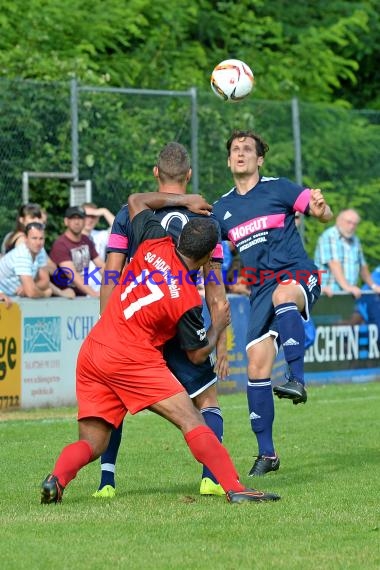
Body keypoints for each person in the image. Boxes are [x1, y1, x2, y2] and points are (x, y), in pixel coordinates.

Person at [40, 191, 280, 506]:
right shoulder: (186, 299)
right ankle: (236, 488)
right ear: (208, 256)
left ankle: (57, 479)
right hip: (131, 358)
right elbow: (196, 354)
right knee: (192, 420)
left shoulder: (155, 242)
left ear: (179, 240)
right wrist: (218, 325)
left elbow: (136, 200)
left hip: (94, 350)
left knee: (93, 442)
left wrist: (184, 200)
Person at [94, 142, 229, 499]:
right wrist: (222, 342)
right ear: (188, 175)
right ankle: (211, 477)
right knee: (207, 400)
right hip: (184, 322)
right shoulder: (207, 217)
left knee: (114, 399)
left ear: (156, 173)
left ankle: (107, 482)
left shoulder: (128, 213)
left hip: (137, 324)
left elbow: (111, 276)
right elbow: (215, 291)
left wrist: (107, 327)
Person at [212, 129, 333, 477]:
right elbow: (214, 255)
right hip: (259, 291)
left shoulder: (279, 187)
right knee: (256, 367)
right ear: (228, 159)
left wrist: (322, 211)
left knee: (284, 295)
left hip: (297, 274)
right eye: (235, 149)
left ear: (259, 158)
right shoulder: (222, 209)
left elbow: (318, 211)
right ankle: (268, 454)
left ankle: (297, 378)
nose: (240, 154)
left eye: (247, 149)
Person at [314, 209, 380, 298]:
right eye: (349, 222)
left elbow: (363, 267)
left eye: (355, 224)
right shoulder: (329, 236)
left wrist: (374, 286)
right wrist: (348, 287)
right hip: (328, 294)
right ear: (338, 221)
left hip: (348, 295)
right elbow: (334, 264)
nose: (352, 226)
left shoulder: (355, 240)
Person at [49, 206, 105, 297]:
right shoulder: (60, 244)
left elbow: (102, 266)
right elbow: (72, 274)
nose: (77, 222)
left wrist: (118, 286)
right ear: (66, 221)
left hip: (81, 295)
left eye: (80, 218)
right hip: (64, 298)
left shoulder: (86, 240)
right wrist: (93, 293)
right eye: (73, 218)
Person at [0, 222, 52, 298]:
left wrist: (28, 287)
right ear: (26, 239)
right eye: (34, 238)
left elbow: (45, 281)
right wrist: (45, 294)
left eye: (41, 238)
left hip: (11, 297)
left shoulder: (40, 250)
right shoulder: (22, 255)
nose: (38, 242)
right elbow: (31, 293)